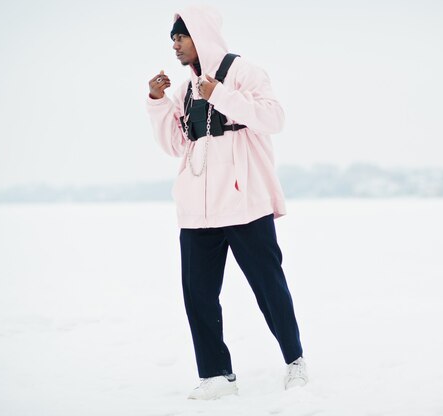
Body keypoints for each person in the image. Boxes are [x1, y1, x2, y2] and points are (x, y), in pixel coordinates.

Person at [145, 5, 308, 400]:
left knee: (269, 287)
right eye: (173, 39)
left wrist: (220, 95)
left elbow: (273, 119)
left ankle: (295, 362)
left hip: (244, 202)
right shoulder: (183, 88)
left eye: (181, 37)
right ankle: (217, 375)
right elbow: (176, 145)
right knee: (198, 294)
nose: (176, 45)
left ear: (200, 36)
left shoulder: (244, 72)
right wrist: (157, 101)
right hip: (197, 209)